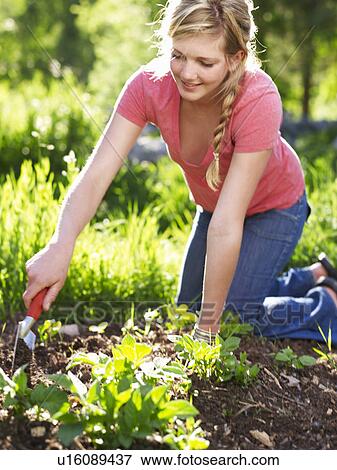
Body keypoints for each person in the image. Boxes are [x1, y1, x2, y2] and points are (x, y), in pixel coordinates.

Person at [23, 0, 337, 346]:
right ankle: (309, 276)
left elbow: (228, 223)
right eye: (179, 55)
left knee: (226, 317)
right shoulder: (148, 86)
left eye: (205, 62)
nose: (187, 73)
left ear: (236, 58)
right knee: (187, 312)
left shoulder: (258, 99)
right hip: (215, 208)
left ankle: (327, 304)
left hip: (275, 208)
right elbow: (97, 174)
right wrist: (61, 243)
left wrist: (208, 330)